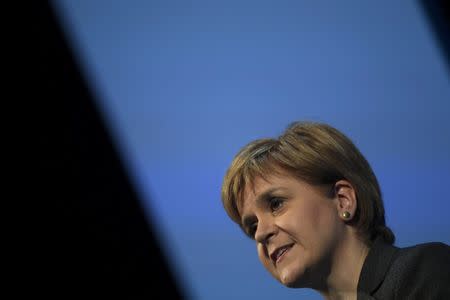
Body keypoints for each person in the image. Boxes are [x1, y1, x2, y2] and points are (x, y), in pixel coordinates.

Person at [221, 121, 450, 300]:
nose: (260, 234)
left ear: (343, 200)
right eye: (252, 226)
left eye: (276, 204)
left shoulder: (423, 274)